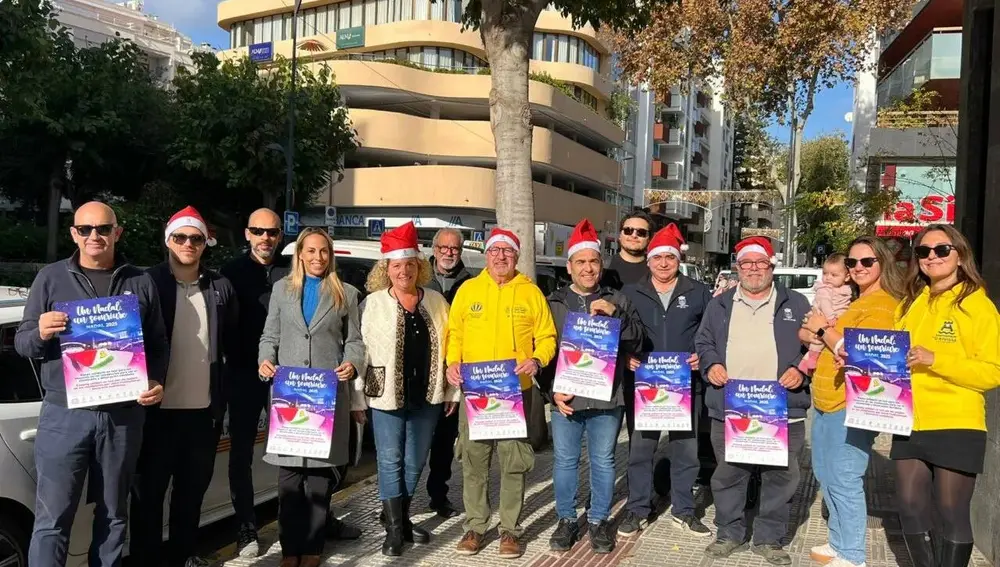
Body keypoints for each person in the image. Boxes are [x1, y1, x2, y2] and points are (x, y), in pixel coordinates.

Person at [14, 201, 169, 567]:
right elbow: (22, 343)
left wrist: (157, 380)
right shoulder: (50, 278)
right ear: (74, 234)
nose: (94, 236)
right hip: (64, 415)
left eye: (102, 228)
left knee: (114, 515)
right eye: (85, 229)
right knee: (52, 520)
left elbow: (159, 343)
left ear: (117, 232)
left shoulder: (139, 280)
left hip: (122, 417)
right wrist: (39, 331)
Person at [131, 207, 239, 567]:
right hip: (155, 414)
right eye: (180, 237)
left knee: (190, 496)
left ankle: (184, 556)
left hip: (202, 414)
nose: (188, 244)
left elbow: (233, 342)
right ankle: (146, 560)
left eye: (195, 238)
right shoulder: (146, 283)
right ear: (168, 241)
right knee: (147, 497)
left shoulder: (219, 287)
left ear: (205, 243)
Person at [694, 236, 811, 566]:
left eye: (761, 263)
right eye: (747, 263)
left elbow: (815, 347)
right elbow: (703, 341)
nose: (754, 269)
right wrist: (711, 364)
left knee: (781, 476)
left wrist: (800, 371)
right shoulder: (720, 304)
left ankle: (769, 538)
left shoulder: (797, 303)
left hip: (783, 406)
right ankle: (729, 533)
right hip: (732, 406)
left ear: (772, 266)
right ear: (738, 268)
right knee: (730, 473)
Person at [445, 227, 557, 559]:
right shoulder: (468, 290)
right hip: (476, 393)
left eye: (507, 251)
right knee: (474, 463)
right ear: (486, 255)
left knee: (513, 463)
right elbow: (455, 334)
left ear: (516, 256)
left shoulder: (531, 293)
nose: (500, 257)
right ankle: (476, 526)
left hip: (514, 394)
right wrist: (453, 364)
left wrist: (537, 360)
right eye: (494, 251)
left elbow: (547, 337)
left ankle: (510, 530)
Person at [258, 227, 367, 567]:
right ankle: (290, 549)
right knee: (289, 482)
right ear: (300, 255)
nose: (318, 257)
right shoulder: (281, 290)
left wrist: (352, 362)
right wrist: (265, 360)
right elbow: (269, 335)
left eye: (324, 251)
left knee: (318, 484)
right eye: (311, 251)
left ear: (329, 256)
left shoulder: (345, 293)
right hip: (289, 395)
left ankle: (313, 549)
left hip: (325, 397)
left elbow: (355, 341)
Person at [892, 224, 1000, 567]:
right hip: (908, 420)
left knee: (952, 510)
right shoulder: (910, 304)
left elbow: (992, 372)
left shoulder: (977, 305)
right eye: (924, 252)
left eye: (942, 250)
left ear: (959, 254)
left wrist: (936, 359)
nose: (932, 257)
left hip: (956, 421)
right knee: (909, 507)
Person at [537, 219, 644, 555]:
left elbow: (638, 342)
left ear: (601, 264)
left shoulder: (619, 300)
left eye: (593, 261)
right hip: (566, 399)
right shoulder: (553, 303)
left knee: (603, 461)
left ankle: (598, 520)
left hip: (606, 398)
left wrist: (617, 316)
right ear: (569, 267)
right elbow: (542, 351)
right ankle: (567, 519)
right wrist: (551, 391)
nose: (587, 268)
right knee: (565, 462)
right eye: (580, 262)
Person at [355, 222, 460, 556]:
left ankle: (398, 516)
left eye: (410, 264)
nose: (404, 271)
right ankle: (396, 531)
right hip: (385, 394)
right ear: (386, 268)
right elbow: (360, 351)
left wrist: (452, 392)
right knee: (389, 459)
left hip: (427, 395)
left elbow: (451, 347)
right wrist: (357, 397)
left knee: (415, 462)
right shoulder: (373, 303)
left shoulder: (436, 300)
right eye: (397, 265)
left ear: (420, 266)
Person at [799, 237, 904, 567]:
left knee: (844, 477)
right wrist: (816, 332)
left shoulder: (884, 305)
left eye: (866, 262)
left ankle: (853, 555)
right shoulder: (856, 302)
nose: (858, 268)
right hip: (827, 402)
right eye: (852, 263)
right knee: (825, 473)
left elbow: (863, 356)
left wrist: (821, 330)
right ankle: (839, 541)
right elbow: (816, 337)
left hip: (853, 405)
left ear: (882, 263)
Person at [619, 224, 713, 538]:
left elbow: (713, 332)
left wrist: (704, 355)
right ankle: (637, 510)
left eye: (669, 258)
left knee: (686, 450)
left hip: (684, 383)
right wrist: (625, 357)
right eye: (657, 257)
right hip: (644, 384)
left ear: (677, 260)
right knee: (640, 451)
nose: (663, 263)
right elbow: (618, 335)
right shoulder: (631, 293)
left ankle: (684, 510)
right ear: (648, 261)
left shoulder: (698, 292)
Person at [220, 208, 291, 557]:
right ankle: (246, 527)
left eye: (272, 232)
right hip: (244, 374)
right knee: (241, 453)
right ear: (247, 234)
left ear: (280, 236)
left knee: (298, 449)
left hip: (288, 377)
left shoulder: (293, 271)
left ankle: (299, 520)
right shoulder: (230, 273)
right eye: (258, 231)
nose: (266, 238)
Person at [423, 227, 473, 518]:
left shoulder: (470, 284)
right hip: (421, 370)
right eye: (443, 248)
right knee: (414, 441)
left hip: (453, 374)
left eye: (454, 248)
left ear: (461, 251)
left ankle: (438, 495)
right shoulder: (418, 277)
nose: (448, 253)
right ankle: (398, 501)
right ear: (434, 249)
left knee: (443, 441)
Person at [798, 253, 853, 376]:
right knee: (818, 340)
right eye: (825, 273)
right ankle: (811, 359)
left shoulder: (844, 289)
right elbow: (825, 303)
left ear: (847, 276)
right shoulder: (824, 288)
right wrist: (831, 317)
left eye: (833, 275)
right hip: (825, 316)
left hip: (832, 319)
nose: (828, 278)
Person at [609, 211, 654, 287]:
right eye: (628, 231)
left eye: (641, 232)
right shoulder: (604, 267)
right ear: (620, 235)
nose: (634, 235)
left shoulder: (656, 270)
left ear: (649, 238)